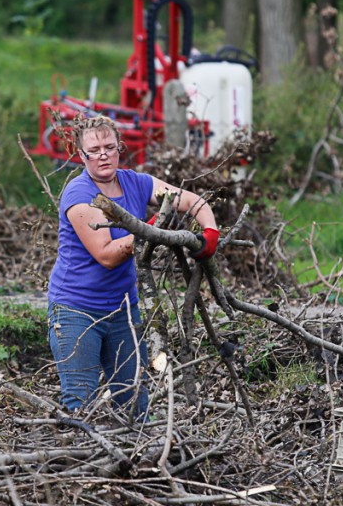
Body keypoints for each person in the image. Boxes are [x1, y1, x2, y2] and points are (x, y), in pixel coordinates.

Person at [47, 115, 219, 419]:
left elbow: (193, 201)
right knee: (81, 407)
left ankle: (138, 461)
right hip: (76, 310)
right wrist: (147, 229)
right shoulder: (79, 195)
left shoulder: (136, 183)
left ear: (119, 148)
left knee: (135, 406)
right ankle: (83, 459)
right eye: (94, 150)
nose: (103, 155)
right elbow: (107, 255)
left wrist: (209, 232)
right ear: (81, 154)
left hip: (124, 310)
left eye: (109, 147)